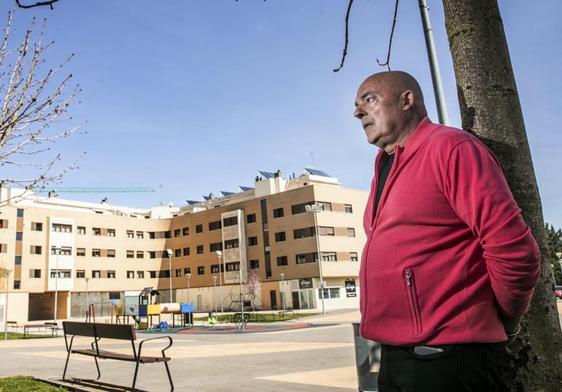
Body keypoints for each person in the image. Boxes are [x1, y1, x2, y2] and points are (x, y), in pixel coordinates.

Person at [353, 71, 540, 392]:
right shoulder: (384, 167)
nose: (358, 112)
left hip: (448, 360)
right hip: (397, 356)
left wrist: (505, 322)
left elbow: (515, 252)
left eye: (368, 99)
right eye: (356, 106)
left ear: (407, 100)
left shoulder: (451, 148)